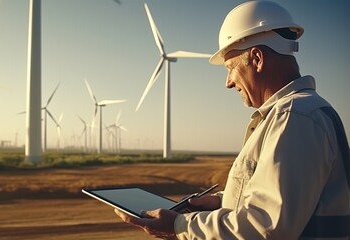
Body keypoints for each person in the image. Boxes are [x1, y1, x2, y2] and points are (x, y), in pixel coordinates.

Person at [115, 1, 350, 239]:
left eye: (230, 67)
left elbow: (265, 227)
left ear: (257, 59)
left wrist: (180, 225)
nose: (228, 82)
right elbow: (279, 202)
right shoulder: (298, 113)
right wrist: (220, 202)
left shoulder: (294, 117)